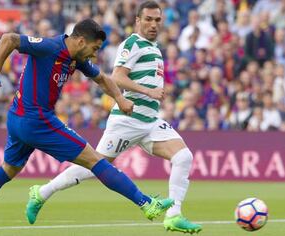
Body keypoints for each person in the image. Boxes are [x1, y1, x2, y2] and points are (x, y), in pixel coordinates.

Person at [0, 19, 174, 236]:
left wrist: (120, 99)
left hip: (18, 118)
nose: (95, 54)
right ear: (81, 41)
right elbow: (9, 39)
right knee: (95, 160)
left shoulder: (76, 58)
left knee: (9, 169)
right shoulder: (49, 47)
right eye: (94, 48)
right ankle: (146, 203)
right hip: (36, 120)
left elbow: (103, 79)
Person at [26, 1, 202, 234]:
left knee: (183, 157)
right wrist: (148, 91)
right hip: (127, 121)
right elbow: (117, 77)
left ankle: (174, 216)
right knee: (94, 166)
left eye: (157, 20)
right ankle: (42, 193)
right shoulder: (133, 43)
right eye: (148, 19)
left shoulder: (154, 47)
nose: (153, 24)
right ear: (137, 20)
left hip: (149, 121)